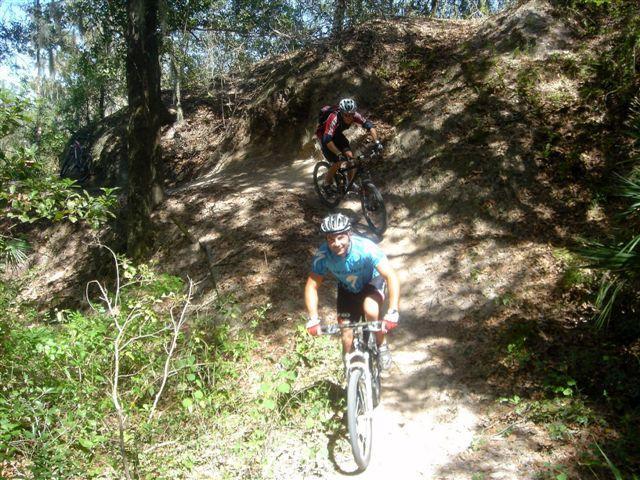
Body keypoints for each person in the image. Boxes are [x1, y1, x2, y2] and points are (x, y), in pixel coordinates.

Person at [304, 213, 400, 369]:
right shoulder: (323, 255)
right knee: (346, 335)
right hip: (348, 289)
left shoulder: (366, 248)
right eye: (331, 239)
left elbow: (390, 276)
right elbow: (311, 286)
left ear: (349, 234)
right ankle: (349, 374)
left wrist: (393, 310)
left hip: (371, 282)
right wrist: (313, 318)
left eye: (341, 237)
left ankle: (381, 345)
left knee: (370, 309)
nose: (336, 243)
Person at [316, 98, 383, 191]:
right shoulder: (334, 117)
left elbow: (370, 126)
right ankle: (326, 183)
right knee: (337, 162)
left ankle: (350, 184)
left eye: (351, 115)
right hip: (326, 137)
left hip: (337, 136)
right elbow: (327, 139)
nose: (348, 117)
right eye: (346, 115)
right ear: (341, 113)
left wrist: (377, 142)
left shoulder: (355, 115)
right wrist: (339, 154)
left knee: (351, 159)